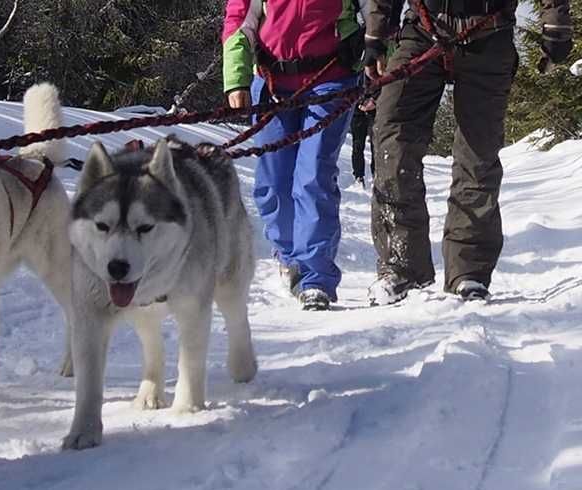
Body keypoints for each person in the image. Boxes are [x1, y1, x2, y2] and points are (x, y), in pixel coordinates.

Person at [364, 0, 573, 305]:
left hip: (489, 32)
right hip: (422, 31)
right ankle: (399, 264)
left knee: (478, 155)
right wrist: (376, 35)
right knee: (392, 137)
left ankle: (469, 270)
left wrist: (555, 28)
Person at [222, 0, 366, 311]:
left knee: (313, 175)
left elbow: (375, 11)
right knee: (273, 180)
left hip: (333, 75)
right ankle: (289, 257)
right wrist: (236, 76)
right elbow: (239, 16)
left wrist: (378, 54)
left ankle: (314, 276)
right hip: (272, 79)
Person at [350, 91, 377, 188]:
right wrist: (359, 102)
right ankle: (358, 176)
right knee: (357, 145)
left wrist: (374, 100)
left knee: (376, 146)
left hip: (376, 110)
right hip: (357, 111)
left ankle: (376, 175)